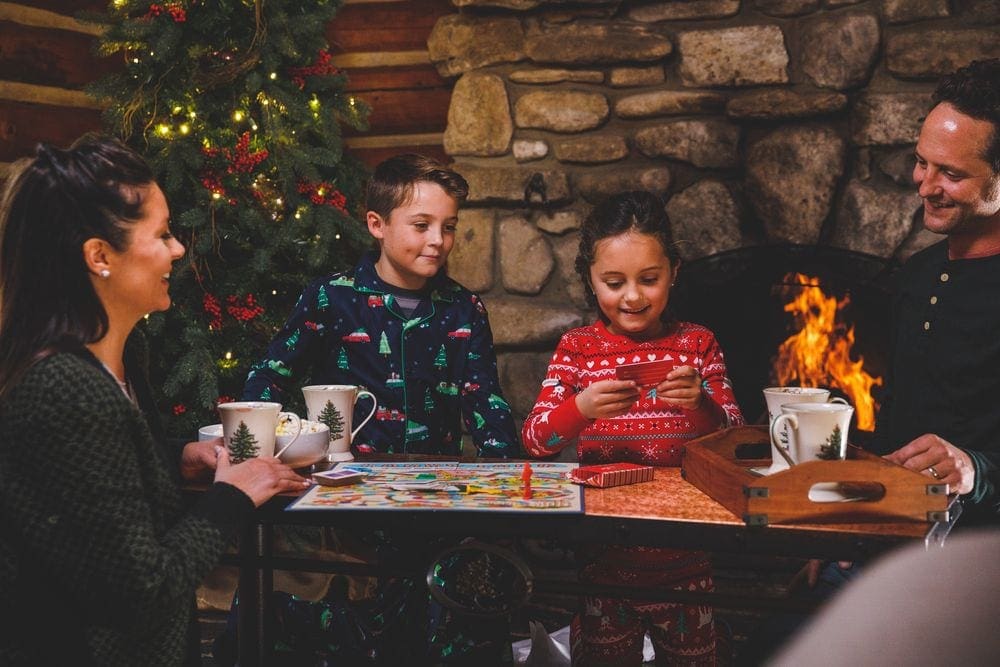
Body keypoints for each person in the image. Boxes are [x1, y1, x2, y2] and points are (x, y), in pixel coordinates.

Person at [0, 134, 310, 666]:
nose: (178, 249)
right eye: (162, 234)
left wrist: (171, 462)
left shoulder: (124, 357)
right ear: (99, 256)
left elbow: (90, 501)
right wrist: (232, 496)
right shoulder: (63, 387)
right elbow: (138, 593)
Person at [742, 58, 1000, 665]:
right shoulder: (915, 277)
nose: (924, 184)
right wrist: (840, 528)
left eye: (952, 173)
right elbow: (900, 429)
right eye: (922, 161)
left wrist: (976, 468)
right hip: (884, 542)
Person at [521, 191, 744, 666]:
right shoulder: (577, 349)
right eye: (613, 281)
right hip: (602, 561)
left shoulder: (697, 344)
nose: (633, 296)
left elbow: (736, 442)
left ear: (674, 272)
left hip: (688, 562)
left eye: (649, 279)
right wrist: (579, 408)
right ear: (590, 278)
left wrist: (700, 404)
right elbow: (537, 442)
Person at [242, 153, 518, 457]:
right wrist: (261, 452)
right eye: (422, 225)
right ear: (377, 225)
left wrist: (505, 479)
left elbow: (487, 404)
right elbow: (270, 377)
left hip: (434, 488)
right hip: (343, 483)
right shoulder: (330, 297)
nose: (439, 240)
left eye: (449, 227)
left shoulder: (465, 309)